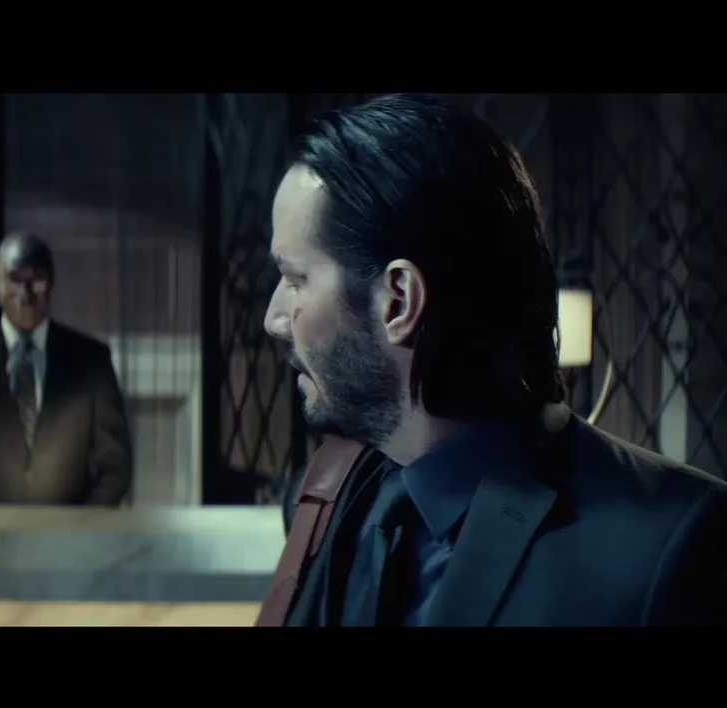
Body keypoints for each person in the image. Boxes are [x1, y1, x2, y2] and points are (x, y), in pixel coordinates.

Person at [263, 93, 727, 626]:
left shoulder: (674, 544)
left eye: (295, 279)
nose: (275, 319)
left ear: (399, 300)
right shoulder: (327, 498)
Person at [0, 232, 133, 505]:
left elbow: (116, 465)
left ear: (52, 282)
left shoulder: (91, 361)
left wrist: (83, 523)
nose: (26, 292)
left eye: (37, 280)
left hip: (71, 529)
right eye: (14, 279)